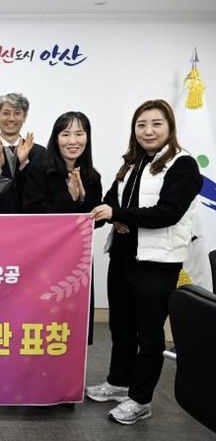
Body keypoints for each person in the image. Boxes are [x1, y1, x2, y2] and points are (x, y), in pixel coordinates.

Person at [86, 99, 202, 425]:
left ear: (170, 127)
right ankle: (119, 382)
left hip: (157, 263)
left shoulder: (183, 164)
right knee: (121, 327)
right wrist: (102, 211)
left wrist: (121, 215)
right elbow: (111, 201)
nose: (148, 131)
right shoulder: (132, 163)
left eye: (156, 124)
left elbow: (168, 212)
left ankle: (141, 400)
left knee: (149, 335)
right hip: (122, 256)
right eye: (141, 125)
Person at [22, 111, 102, 345]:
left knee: (74, 323)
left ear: (87, 137)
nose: (72, 141)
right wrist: (69, 198)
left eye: (79, 134)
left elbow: (96, 220)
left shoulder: (92, 176)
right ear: (56, 138)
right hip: (45, 259)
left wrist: (82, 199)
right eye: (65, 134)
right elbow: (32, 214)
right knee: (43, 323)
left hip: (78, 261)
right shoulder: (39, 170)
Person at [0, 93, 46, 213]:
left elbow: (39, 194)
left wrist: (23, 164)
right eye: (6, 113)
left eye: (17, 113)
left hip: (31, 221)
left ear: (25, 117)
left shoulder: (40, 153)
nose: (11, 118)